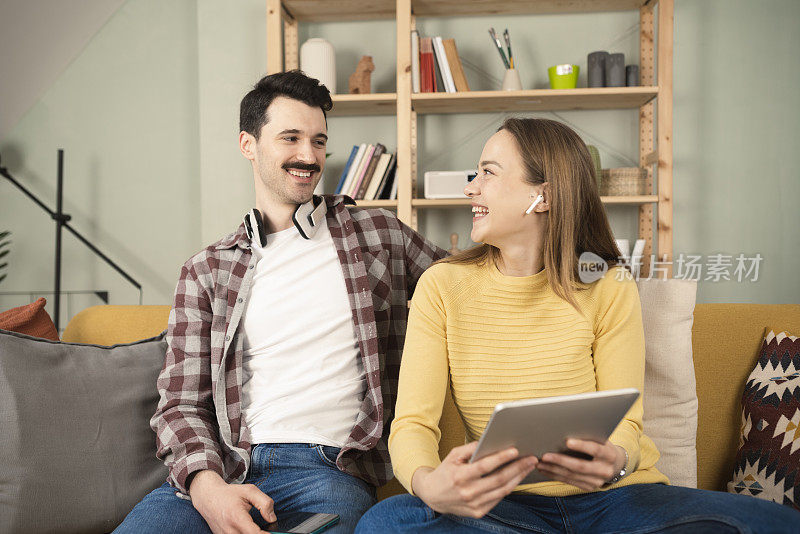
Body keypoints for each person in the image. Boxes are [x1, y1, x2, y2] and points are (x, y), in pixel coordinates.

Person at [356, 118, 799, 533]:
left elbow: (626, 421)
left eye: (488, 173)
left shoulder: (608, 284)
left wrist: (616, 462)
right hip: (504, 508)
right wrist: (428, 483)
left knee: (770, 522)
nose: (472, 188)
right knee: (388, 522)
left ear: (542, 196)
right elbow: (413, 422)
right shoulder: (443, 286)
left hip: (617, 501)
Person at [115, 70, 447, 534]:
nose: (308, 156)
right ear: (248, 144)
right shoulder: (206, 269)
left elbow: (471, 287)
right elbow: (180, 404)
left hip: (327, 472)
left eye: (318, 140)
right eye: (291, 138)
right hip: (226, 469)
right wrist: (208, 489)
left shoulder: (377, 235)